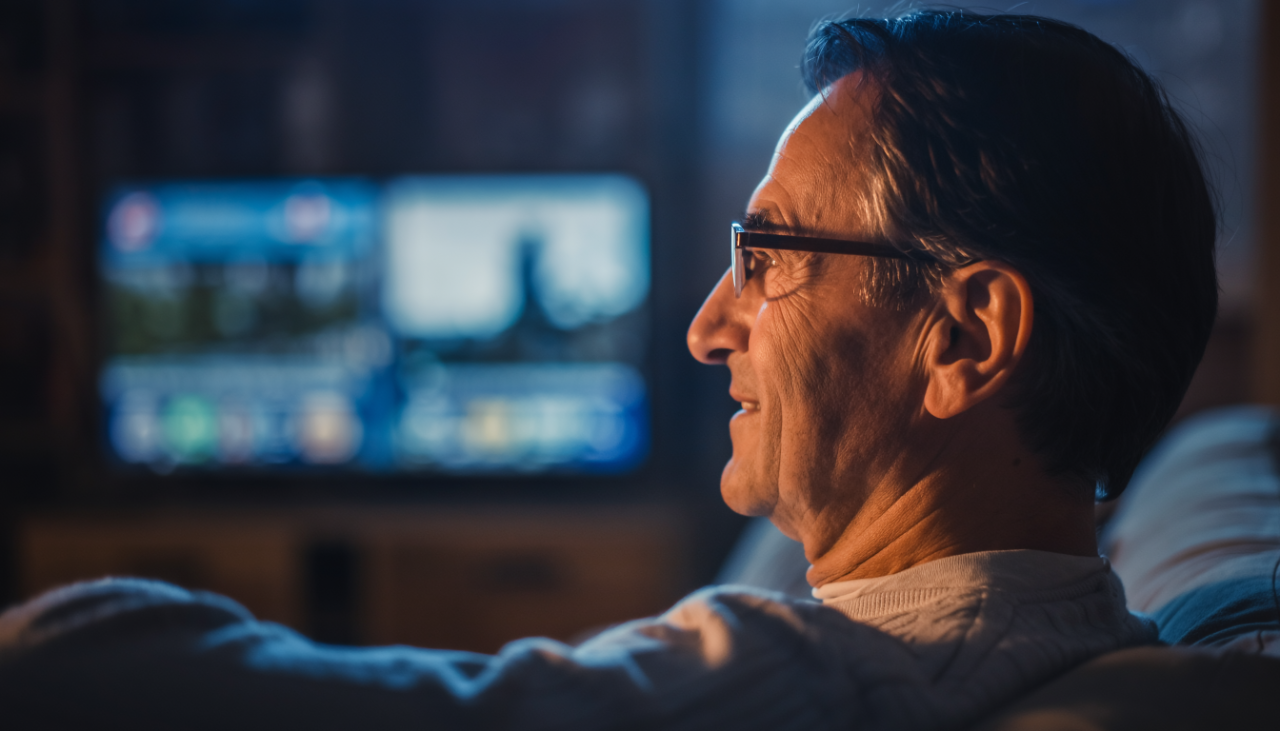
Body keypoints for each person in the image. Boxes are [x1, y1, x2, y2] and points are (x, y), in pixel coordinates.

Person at [0, 10, 1227, 730]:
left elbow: (106, 674)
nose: (705, 326)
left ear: (961, 339)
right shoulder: (1063, 620)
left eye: (764, 254)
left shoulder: (792, 677)